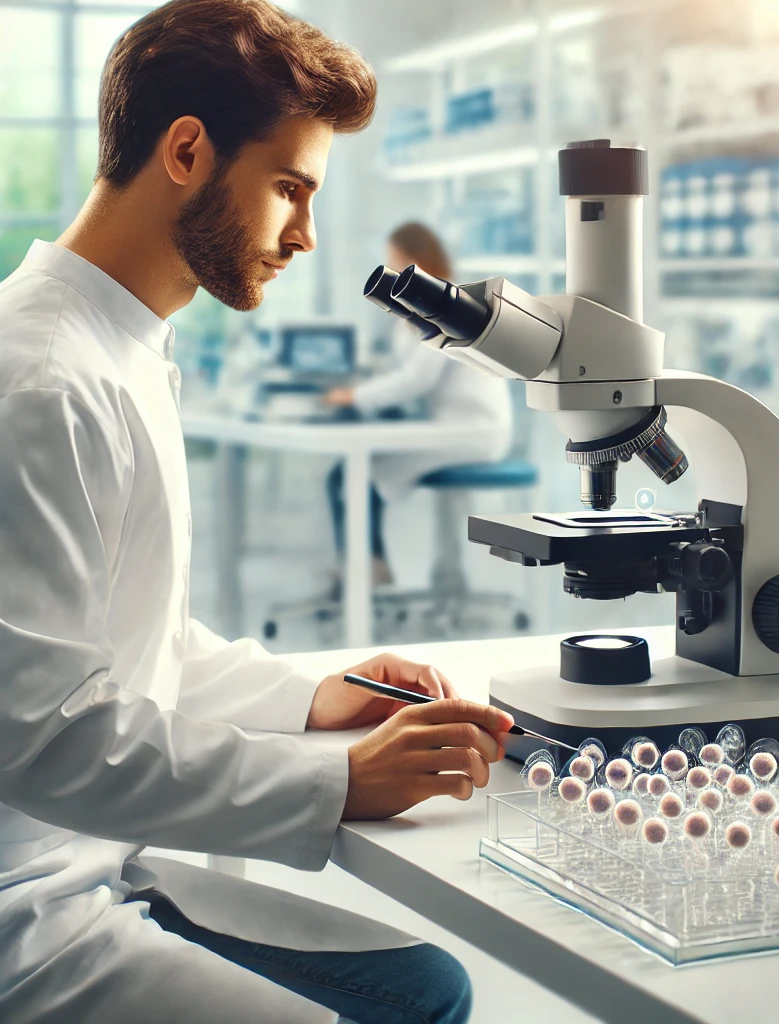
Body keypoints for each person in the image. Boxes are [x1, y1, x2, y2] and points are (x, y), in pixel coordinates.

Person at [0, 3, 514, 1022]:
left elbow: (129, 638)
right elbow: (42, 734)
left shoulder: (120, 343)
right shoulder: (46, 380)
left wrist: (315, 694)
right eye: (289, 187)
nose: (306, 234)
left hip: (92, 857)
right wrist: (327, 784)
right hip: (29, 912)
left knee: (427, 986)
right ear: (186, 150)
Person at [322, 223, 513, 586]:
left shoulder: (451, 305)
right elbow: (405, 369)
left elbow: (417, 380)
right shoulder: (413, 313)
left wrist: (355, 396)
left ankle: (368, 568)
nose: (389, 269)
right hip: (447, 427)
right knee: (350, 472)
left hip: (473, 431)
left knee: (360, 473)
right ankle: (366, 562)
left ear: (414, 261)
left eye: (394, 261)